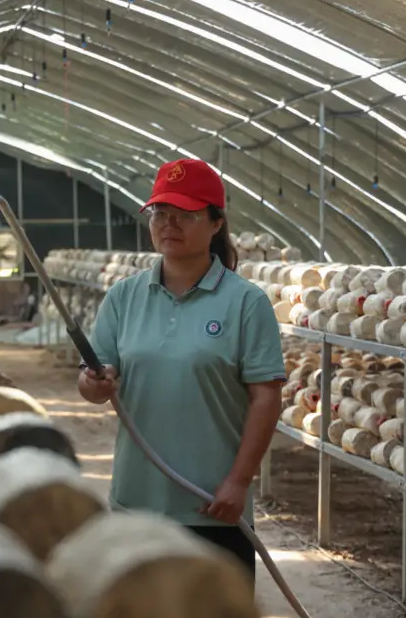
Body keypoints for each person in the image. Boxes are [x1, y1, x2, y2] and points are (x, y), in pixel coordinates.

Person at [77, 157, 286, 579]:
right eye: (160, 213)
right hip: (136, 501)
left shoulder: (246, 302)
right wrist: (95, 383)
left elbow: (266, 398)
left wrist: (239, 482)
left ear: (215, 223)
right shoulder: (124, 297)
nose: (168, 224)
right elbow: (94, 384)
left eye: (185, 215)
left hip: (211, 504)